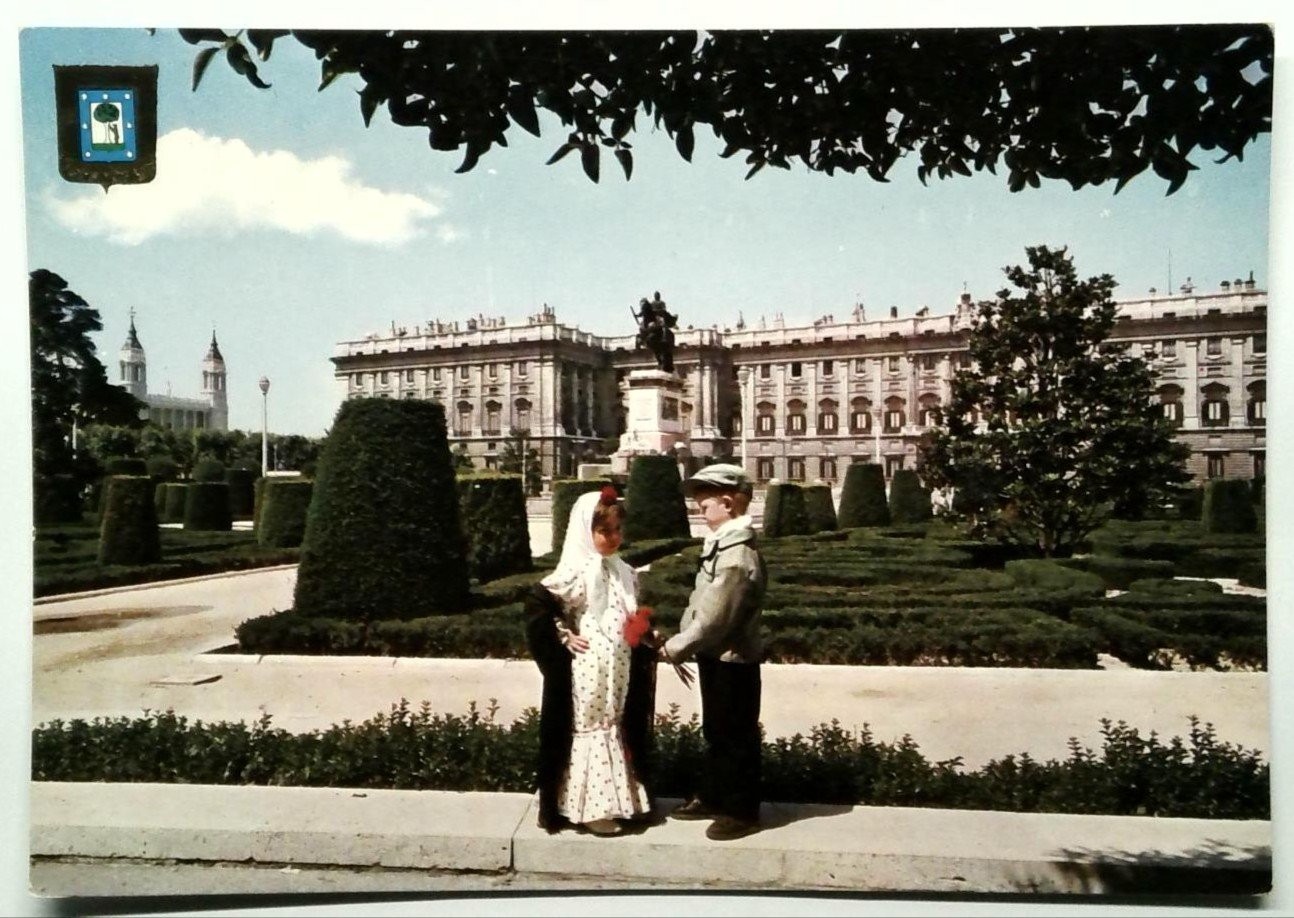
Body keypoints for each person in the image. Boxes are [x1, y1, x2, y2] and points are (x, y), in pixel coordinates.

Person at [523, 486, 657, 837]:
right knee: (593, 726)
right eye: (604, 532)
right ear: (586, 531)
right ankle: (589, 808)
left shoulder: (623, 570)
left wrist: (642, 630)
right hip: (589, 667)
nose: (614, 538)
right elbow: (538, 604)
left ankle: (622, 801)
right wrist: (563, 635)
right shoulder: (576, 572)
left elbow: (626, 610)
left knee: (615, 722)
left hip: (619, 664)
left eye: (617, 530)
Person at [659, 463, 768, 841]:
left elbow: (715, 620)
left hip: (733, 659)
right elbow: (700, 601)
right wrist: (683, 636)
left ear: (728, 503)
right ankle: (715, 794)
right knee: (717, 730)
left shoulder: (737, 557)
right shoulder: (724, 545)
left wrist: (675, 647)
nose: (699, 507)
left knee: (735, 733)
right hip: (717, 656)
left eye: (706, 501)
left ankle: (741, 810)